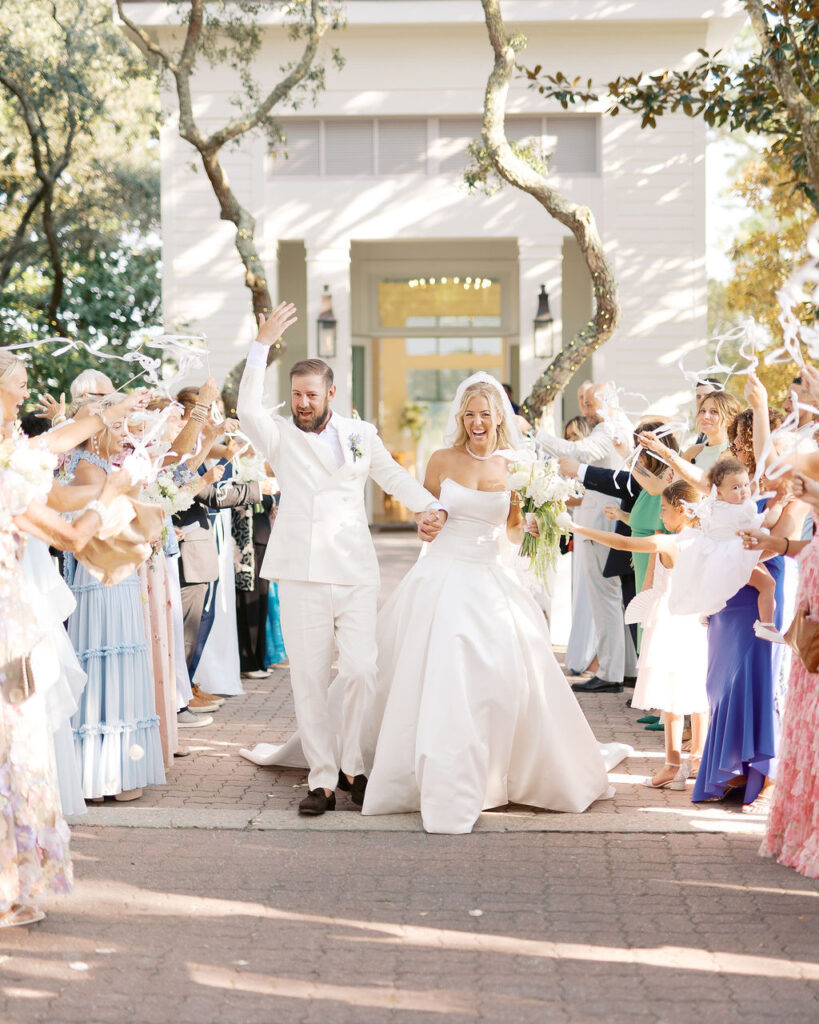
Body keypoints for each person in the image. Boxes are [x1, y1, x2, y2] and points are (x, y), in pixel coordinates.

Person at [361, 374, 614, 834]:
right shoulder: (441, 460)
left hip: (488, 575)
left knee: (501, 675)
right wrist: (426, 526)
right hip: (440, 575)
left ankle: (497, 771)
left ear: (499, 417)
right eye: (470, 415)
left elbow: (513, 530)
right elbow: (426, 515)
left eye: (485, 414)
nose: (477, 422)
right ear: (461, 418)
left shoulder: (517, 466)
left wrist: (531, 528)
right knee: (436, 668)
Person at [237, 301, 447, 816]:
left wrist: (431, 506)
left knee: (359, 670)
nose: (303, 403)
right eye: (296, 394)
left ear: (331, 393)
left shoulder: (360, 434)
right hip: (302, 573)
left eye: (311, 394)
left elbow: (392, 477)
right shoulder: (279, 434)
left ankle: (353, 764)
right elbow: (246, 409)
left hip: (354, 569)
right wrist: (260, 345)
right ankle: (323, 780)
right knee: (309, 681)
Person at [566, 480, 710, 789]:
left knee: (672, 700)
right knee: (699, 697)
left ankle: (672, 765)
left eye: (665, 509)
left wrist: (578, 528)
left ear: (682, 510)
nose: (661, 516)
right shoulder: (706, 542)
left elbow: (623, 543)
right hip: (699, 625)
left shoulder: (669, 542)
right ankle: (698, 760)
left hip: (671, 625)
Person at [537, 382, 637, 693]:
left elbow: (578, 452)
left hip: (601, 522)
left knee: (604, 597)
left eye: (590, 405)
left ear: (607, 403)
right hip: (609, 521)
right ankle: (625, 669)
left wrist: (537, 436)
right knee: (615, 598)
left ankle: (609, 673)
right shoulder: (621, 425)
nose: (586, 412)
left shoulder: (608, 428)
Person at [665, 457, 778, 638]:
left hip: (712, 553)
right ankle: (767, 624)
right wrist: (779, 504)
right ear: (719, 492)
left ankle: (705, 610)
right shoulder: (741, 511)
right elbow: (766, 522)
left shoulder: (715, 504)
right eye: (736, 487)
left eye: (745, 485)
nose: (743, 491)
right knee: (768, 584)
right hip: (731, 556)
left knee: (710, 583)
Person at [561, 415, 597, 676]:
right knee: (579, 588)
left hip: (590, 524)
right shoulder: (571, 466)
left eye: (574, 435)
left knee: (588, 589)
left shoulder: (590, 464)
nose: (570, 440)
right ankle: (582, 653)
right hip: (579, 527)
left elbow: (583, 496)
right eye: (567, 437)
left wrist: (555, 497)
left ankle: (590, 655)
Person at [682, 390, 741, 474]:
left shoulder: (735, 456)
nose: (705, 416)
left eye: (714, 411)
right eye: (703, 411)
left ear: (729, 420)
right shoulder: (693, 452)